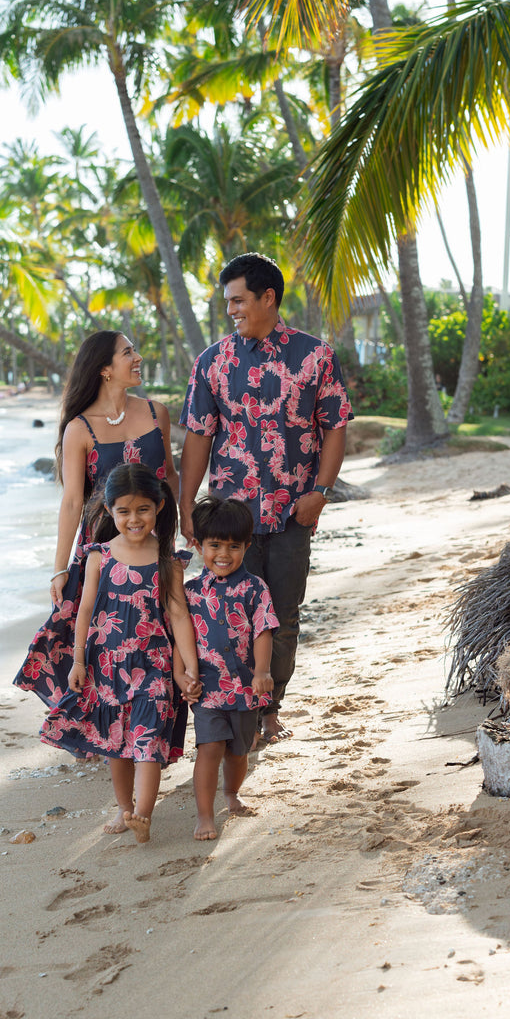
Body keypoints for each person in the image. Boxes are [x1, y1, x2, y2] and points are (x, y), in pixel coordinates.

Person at [179, 252, 352, 745]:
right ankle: (236, 713)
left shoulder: (315, 356)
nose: (231, 310)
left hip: (294, 512)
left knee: (283, 614)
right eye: (227, 301)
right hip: (231, 518)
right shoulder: (213, 362)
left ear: (268, 297)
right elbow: (198, 435)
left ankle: (268, 709)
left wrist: (320, 493)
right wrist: (187, 504)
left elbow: (335, 427)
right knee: (226, 614)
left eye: (239, 300)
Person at [14, 330, 178, 707]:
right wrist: (59, 569)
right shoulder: (79, 428)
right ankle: (101, 723)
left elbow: (169, 474)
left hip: (154, 540)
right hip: (100, 553)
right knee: (100, 636)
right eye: (127, 352)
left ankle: (148, 717)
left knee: (155, 629)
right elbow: (73, 501)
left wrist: (183, 523)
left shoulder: (156, 414)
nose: (137, 358)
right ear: (104, 369)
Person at [41, 464, 200, 844]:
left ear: (159, 506)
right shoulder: (100, 556)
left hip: (155, 666)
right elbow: (84, 611)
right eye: (124, 511)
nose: (134, 519)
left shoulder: (168, 561)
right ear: (109, 511)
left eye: (143, 509)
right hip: (108, 667)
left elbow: (178, 614)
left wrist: (189, 666)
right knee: (117, 745)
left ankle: (143, 815)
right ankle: (123, 807)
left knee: (148, 743)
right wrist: (78, 661)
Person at [184, 496, 278, 841]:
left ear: (247, 546)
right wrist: (183, 676)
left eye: (233, 546)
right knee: (209, 748)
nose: (223, 554)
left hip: (244, 686)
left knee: (239, 751)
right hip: (207, 687)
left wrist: (262, 672)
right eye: (214, 545)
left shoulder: (255, 588)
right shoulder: (190, 592)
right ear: (198, 545)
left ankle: (231, 792)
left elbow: (264, 629)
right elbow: (181, 638)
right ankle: (205, 815)